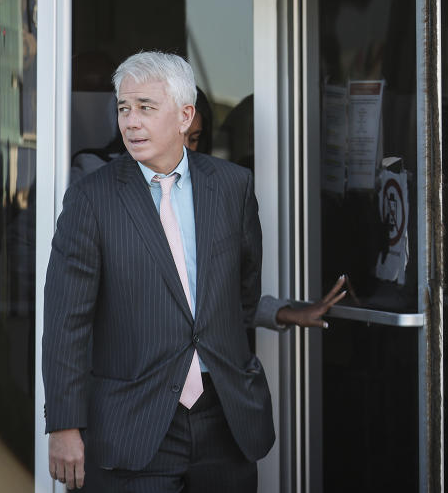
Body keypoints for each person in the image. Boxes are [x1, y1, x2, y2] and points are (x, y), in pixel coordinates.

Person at [43, 51, 345, 492]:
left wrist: (276, 313)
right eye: (124, 108)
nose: (131, 121)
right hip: (134, 423)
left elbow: (239, 296)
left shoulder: (232, 186)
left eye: (146, 107)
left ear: (185, 116)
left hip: (223, 417)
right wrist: (65, 425)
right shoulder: (92, 198)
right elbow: (65, 320)